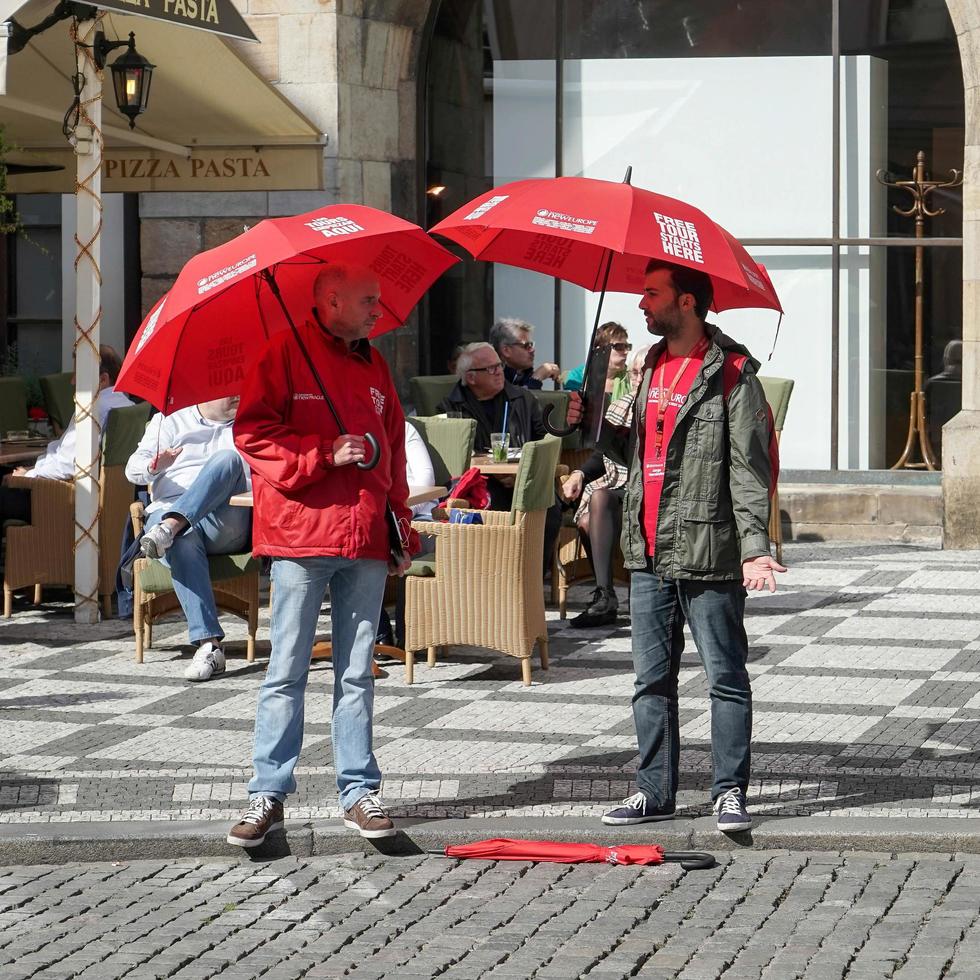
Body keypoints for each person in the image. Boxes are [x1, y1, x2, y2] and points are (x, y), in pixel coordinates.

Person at [569, 257, 785, 835]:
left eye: (651, 293)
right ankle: (653, 792)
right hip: (647, 548)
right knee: (650, 681)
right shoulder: (639, 370)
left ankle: (728, 793)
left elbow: (748, 470)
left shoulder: (732, 376)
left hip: (709, 548)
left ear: (686, 301)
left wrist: (754, 547)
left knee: (725, 676)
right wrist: (578, 422)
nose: (640, 304)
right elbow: (613, 450)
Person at [228, 261, 415, 848]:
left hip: (362, 537)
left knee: (357, 672)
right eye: (367, 299)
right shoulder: (283, 354)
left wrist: (400, 527)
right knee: (286, 670)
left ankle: (359, 792)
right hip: (301, 537)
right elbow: (252, 435)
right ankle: (269, 794)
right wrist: (321, 452)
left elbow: (394, 453)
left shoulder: (375, 362)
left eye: (378, 301)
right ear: (331, 300)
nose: (377, 311)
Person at [125, 397, 252, 681]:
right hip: (173, 519)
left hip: (226, 522)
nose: (239, 394)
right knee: (181, 539)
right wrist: (154, 466)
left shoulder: (255, 423)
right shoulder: (170, 419)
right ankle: (209, 646)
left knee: (227, 460)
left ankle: (172, 525)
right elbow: (132, 468)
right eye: (231, 386)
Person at [437, 341, 560, 574]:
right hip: (480, 482)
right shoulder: (450, 406)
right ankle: (495, 575)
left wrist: (525, 471)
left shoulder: (522, 398)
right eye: (491, 368)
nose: (499, 372)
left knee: (548, 507)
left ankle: (531, 575)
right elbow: (451, 453)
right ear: (471, 377)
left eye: (499, 366)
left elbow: (545, 440)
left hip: (524, 477)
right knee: (491, 506)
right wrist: (495, 472)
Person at [561, 346, 649, 627]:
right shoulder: (622, 405)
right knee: (589, 515)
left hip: (650, 486)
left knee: (595, 507)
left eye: (642, 373)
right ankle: (606, 595)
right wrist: (578, 473)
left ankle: (608, 598)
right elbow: (602, 456)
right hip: (620, 483)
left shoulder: (661, 410)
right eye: (633, 373)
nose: (636, 378)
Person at [0, 345, 132, 527]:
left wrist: (28, 474)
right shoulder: (128, 407)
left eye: (79, 374)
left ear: (103, 379)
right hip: (108, 502)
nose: (72, 381)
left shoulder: (93, 411)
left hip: (63, 501)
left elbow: (68, 465)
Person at [563, 322, 633, 400]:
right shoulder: (579, 376)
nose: (626, 352)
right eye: (620, 347)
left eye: (627, 346)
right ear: (601, 349)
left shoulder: (631, 377)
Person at [490, 317, 561, 389]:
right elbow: (516, 399)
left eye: (531, 345)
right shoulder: (490, 377)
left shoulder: (523, 374)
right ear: (506, 351)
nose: (532, 350)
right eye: (526, 346)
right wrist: (536, 378)